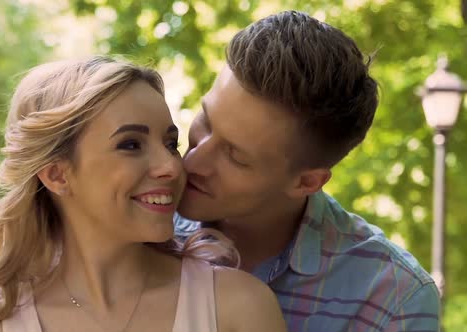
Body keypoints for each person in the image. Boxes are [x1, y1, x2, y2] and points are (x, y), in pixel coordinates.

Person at [0, 56, 286, 332]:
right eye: (131, 144)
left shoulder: (238, 308)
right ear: (57, 174)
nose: (173, 167)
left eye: (170, 143)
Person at [175, 10, 441, 331]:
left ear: (307, 181)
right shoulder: (135, 225)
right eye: (205, 121)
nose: (191, 162)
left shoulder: (394, 299)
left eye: (235, 156)